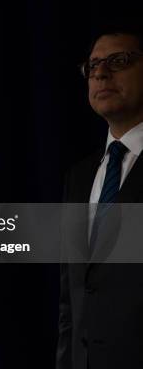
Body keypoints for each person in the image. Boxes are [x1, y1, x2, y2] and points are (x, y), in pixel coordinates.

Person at [57, 25, 143, 368]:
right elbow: (71, 300)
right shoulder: (79, 177)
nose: (102, 73)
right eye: (92, 67)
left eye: (119, 61)